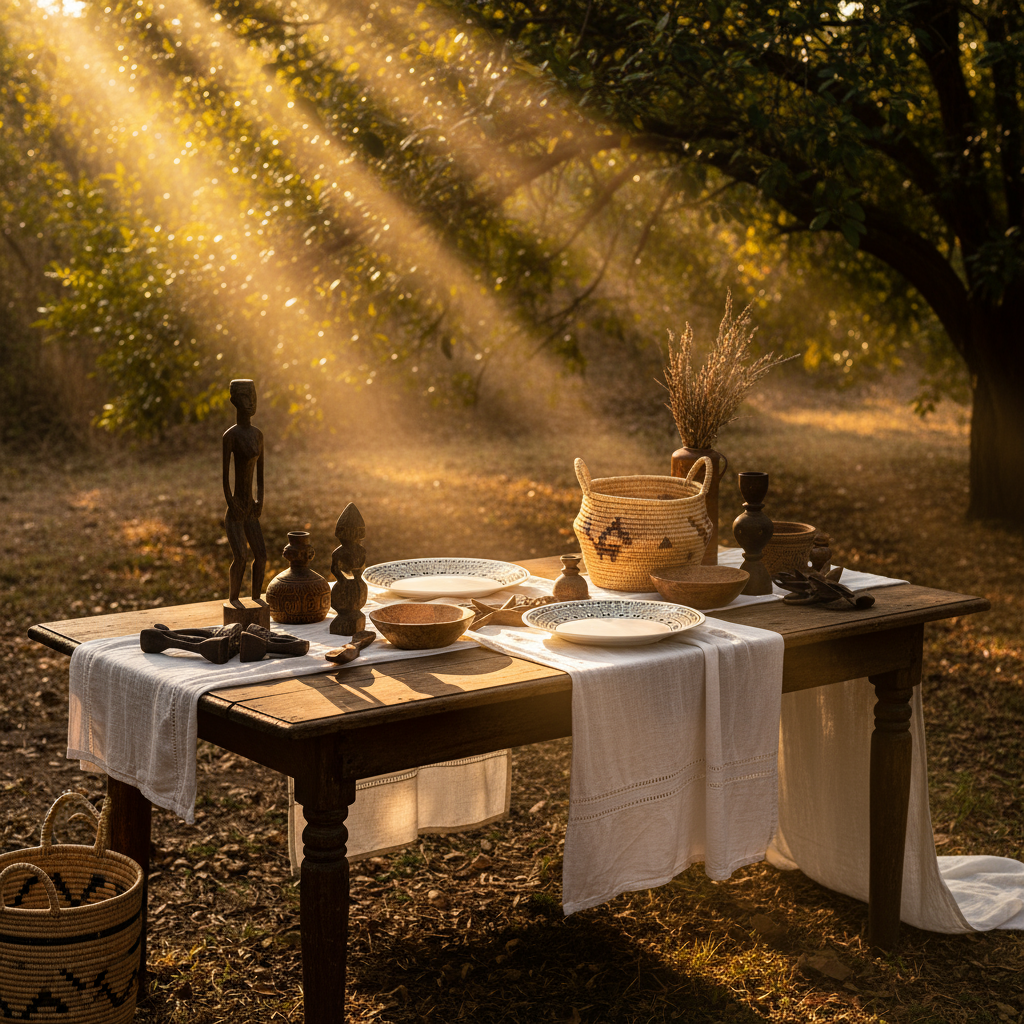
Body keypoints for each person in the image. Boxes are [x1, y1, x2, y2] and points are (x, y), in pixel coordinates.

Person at [222, 379, 267, 602]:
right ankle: (234, 600)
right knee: (240, 557)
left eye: (253, 396)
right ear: (234, 401)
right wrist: (232, 503)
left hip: (251, 508)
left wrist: (260, 501)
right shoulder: (231, 436)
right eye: (245, 397)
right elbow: (225, 478)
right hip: (236, 510)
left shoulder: (258, 435)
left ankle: (256, 599)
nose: (251, 402)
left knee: (261, 556)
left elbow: (260, 476)